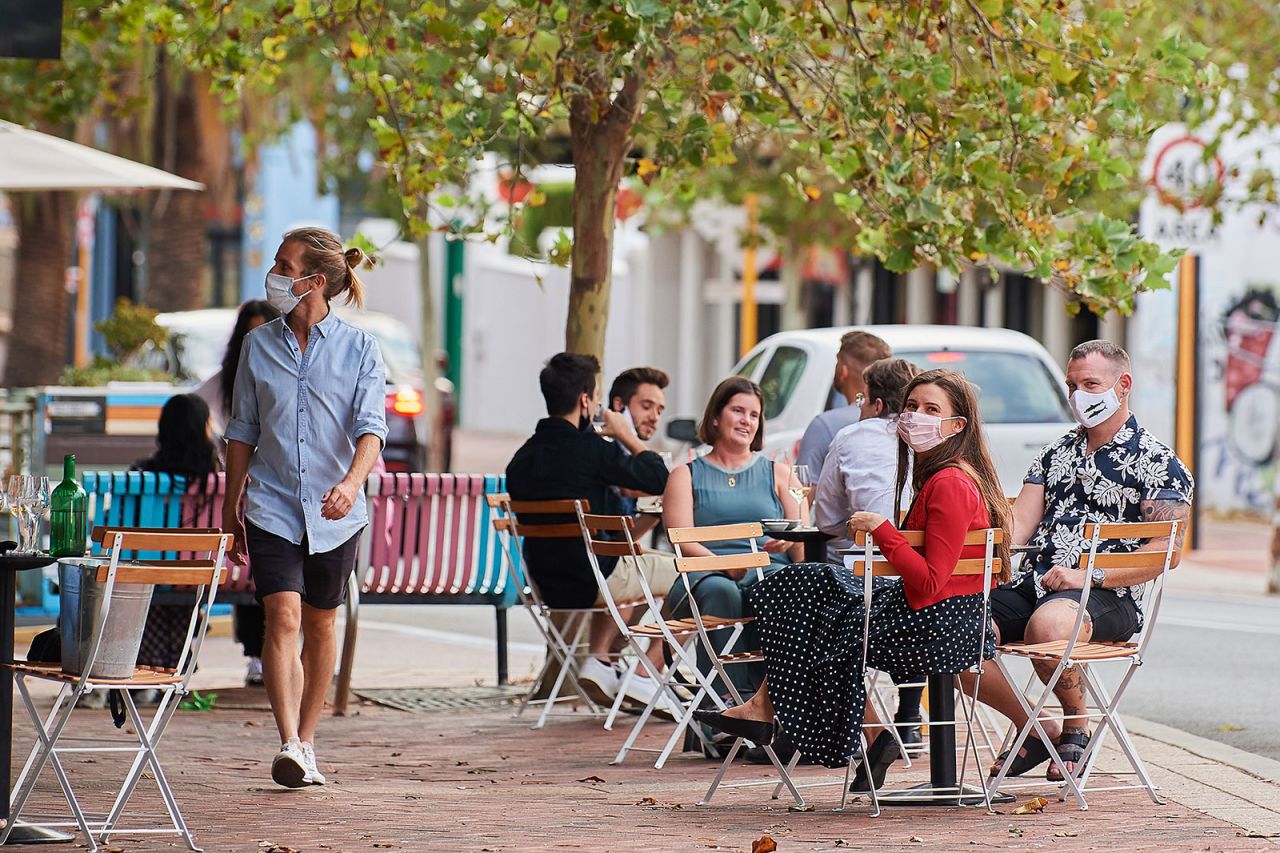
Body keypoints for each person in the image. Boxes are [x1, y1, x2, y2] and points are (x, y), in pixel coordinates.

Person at [694, 369, 1010, 792]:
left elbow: (930, 582)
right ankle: (840, 725)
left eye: (931, 410)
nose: (915, 416)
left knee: (810, 604)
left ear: (956, 426)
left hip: (934, 623)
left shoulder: (950, 482)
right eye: (912, 407)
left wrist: (883, 530)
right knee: (804, 585)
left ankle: (795, 715)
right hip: (939, 614)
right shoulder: (944, 475)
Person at [974, 340, 1193, 782]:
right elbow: (1019, 524)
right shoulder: (1054, 454)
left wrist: (1087, 573)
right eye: (1072, 386)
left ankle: (1077, 719)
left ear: (1123, 384)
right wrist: (984, 558)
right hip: (1032, 584)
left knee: (1050, 627)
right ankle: (1035, 728)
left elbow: (1164, 553)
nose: (1079, 396)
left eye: (1090, 384)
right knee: (952, 624)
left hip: (1107, 595)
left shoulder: (1159, 464)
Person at [223, 227, 388, 789]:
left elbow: (372, 430)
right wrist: (231, 504)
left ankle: (309, 740)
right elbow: (242, 429)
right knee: (283, 615)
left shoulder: (360, 348)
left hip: (336, 511)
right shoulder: (257, 345)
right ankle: (289, 741)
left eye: (283, 266)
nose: (273, 274)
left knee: (319, 622)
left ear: (315, 281)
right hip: (271, 504)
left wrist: (350, 483)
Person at [505, 352, 678, 712]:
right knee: (697, 574)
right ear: (585, 400)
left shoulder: (520, 459)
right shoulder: (591, 450)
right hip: (595, 579)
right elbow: (660, 479)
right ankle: (645, 677)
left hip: (545, 584)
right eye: (596, 396)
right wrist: (627, 436)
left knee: (631, 567)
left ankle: (603, 663)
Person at [662, 376, 803, 709]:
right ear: (715, 417)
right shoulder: (685, 474)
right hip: (703, 574)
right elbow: (680, 539)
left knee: (782, 588)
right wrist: (725, 565)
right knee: (723, 591)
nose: (746, 421)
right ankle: (728, 701)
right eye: (738, 411)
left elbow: (800, 542)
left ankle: (778, 701)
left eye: (754, 415)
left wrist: (789, 540)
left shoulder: (780, 474)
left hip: (767, 571)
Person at [812, 356, 925, 756]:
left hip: (867, 582)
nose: (859, 407)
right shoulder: (934, 442)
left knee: (816, 605)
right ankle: (909, 717)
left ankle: (861, 723)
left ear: (877, 404)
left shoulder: (850, 437)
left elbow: (824, 521)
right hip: (930, 583)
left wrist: (858, 522)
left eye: (862, 399)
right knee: (912, 592)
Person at [195, 299, 281, 687]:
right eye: (248, 334)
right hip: (242, 489)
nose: (255, 342)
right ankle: (256, 654)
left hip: (274, 488)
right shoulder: (226, 379)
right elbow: (194, 408)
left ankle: (271, 656)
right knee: (252, 572)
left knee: (268, 574)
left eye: (260, 332)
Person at [131, 394, 221, 685]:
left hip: (148, 575)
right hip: (198, 576)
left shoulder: (144, 477)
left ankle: (150, 665)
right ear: (203, 429)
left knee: (154, 579)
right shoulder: (217, 481)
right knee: (176, 584)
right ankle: (172, 666)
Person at [794, 331, 892, 474]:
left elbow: (804, 489)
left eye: (837, 362)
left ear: (843, 370)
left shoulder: (824, 425)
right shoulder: (900, 424)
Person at [606, 366, 670, 535]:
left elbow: (622, 542)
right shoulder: (605, 448)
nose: (655, 417)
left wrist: (660, 510)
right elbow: (656, 480)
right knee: (687, 562)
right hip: (598, 559)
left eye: (660, 410)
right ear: (619, 404)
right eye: (647, 406)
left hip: (614, 554)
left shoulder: (626, 452)